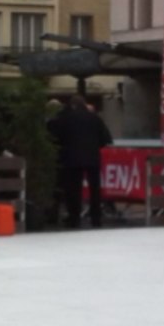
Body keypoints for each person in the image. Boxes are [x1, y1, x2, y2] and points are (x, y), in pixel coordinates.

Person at [47, 95, 113, 228]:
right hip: (93, 157)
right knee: (95, 189)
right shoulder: (95, 118)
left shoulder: (66, 118)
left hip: (72, 158)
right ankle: (96, 218)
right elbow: (106, 138)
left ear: (72, 106)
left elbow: (55, 136)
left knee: (73, 189)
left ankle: (74, 218)